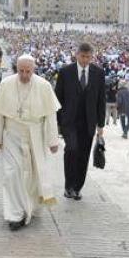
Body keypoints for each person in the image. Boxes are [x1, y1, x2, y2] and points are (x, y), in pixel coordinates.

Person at [0, 55, 61, 230]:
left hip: (35, 136)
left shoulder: (44, 86)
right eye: (21, 71)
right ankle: (15, 214)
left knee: (33, 175)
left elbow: (51, 116)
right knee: (12, 173)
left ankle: (32, 206)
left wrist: (53, 140)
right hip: (11, 135)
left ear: (33, 69)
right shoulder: (6, 84)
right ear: (16, 68)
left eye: (28, 71)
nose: (24, 75)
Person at [54, 41, 106, 201]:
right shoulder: (65, 72)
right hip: (69, 121)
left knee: (83, 155)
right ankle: (68, 185)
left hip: (88, 122)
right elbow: (58, 98)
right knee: (72, 149)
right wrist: (56, 121)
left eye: (88, 57)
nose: (85, 60)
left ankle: (77, 188)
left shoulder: (98, 73)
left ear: (92, 57)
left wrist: (101, 125)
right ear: (76, 55)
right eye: (82, 56)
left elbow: (101, 100)